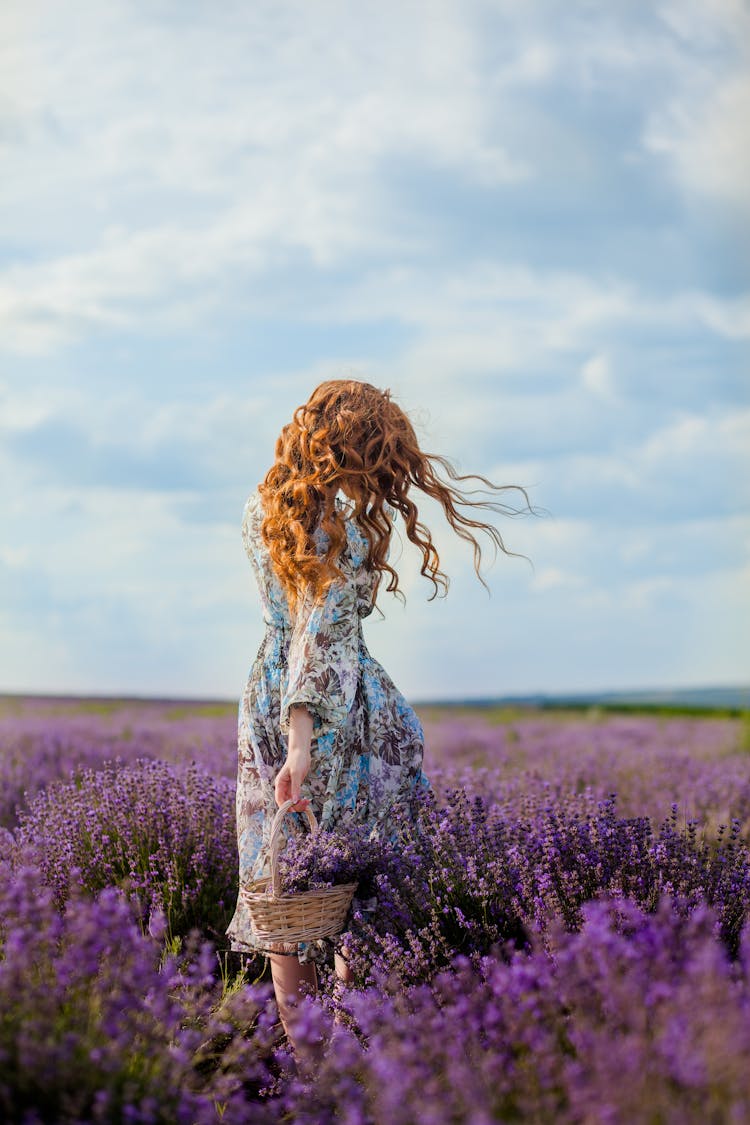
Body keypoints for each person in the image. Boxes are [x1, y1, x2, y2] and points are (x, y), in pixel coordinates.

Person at [224, 379, 531, 1049]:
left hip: (266, 696)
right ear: (360, 447)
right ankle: (346, 1066)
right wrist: (302, 739)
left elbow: (294, 628)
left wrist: (283, 729)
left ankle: (308, 1073)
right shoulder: (346, 521)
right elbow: (324, 632)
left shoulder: (260, 510)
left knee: (287, 892)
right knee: (364, 894)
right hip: (345, 711)